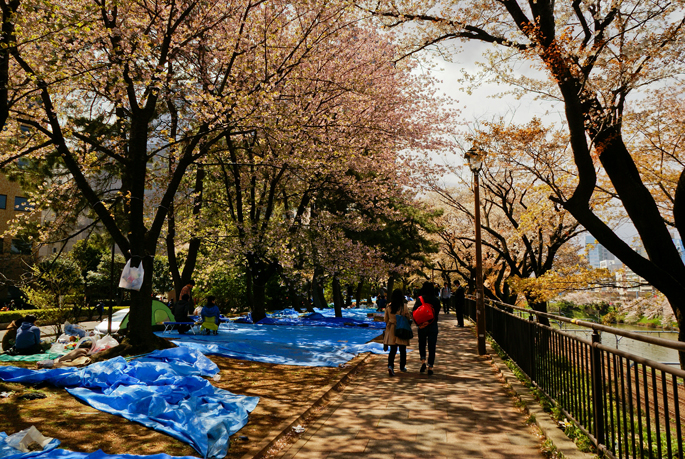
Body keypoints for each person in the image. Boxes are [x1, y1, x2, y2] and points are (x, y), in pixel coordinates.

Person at [412, 281, 440, 376]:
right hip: (432, 325)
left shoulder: (420, 299)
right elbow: (436, 314)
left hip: (422, 326)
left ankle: (423, 361)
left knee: (422, 343)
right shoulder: (436, 300)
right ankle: (430, 366)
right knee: (432, 346)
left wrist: (420, 323)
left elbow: (414, 312)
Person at [384, 289, 412, 376]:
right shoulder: (404, 306)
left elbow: (385, 319)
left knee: (393, 350)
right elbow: (408, 317)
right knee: (402, 349)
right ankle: (402, 366)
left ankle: (390, 365)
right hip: (401, 329)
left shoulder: (388, 306)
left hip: (391, 329)